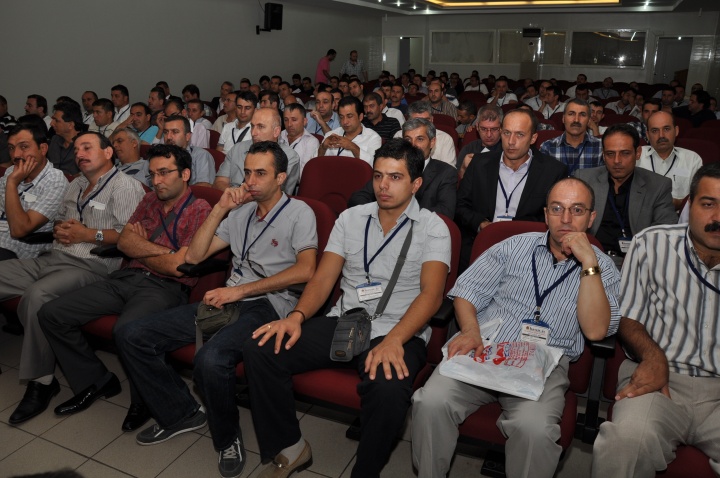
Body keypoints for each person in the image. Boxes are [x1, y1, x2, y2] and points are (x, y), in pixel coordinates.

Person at [244, 138, 451, 478]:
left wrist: (394, 340)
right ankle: (291, 447)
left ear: (416, 184)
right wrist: (295, 318)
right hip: (346, 320)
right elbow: (324, 278)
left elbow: (431, 295)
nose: (383, 185)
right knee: (262, 348)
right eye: (378, 175)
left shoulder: (433, 227)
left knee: (388, 389)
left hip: (398, 330)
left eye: (395, 177)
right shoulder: (351, 218)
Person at [116, 141, 317, 477]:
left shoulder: (300, 213)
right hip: (228, 298)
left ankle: (226, 439)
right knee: (131, 334)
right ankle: (181, 413)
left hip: (269, 303)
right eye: (247, 172)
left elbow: (306, 270)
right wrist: (220, 207)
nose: (250, 181)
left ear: (281, 177)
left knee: (210, 360)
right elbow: (194, 256)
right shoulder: (240, 212)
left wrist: (240, 290)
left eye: (261, 173)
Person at [413, 176, 621, 478]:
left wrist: (589, 263)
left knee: (534, 430)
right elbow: (466, 292)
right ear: (546, 214)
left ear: (591, 218)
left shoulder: (604, 270)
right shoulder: (513, 246)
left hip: (544, 364)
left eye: (577, 210)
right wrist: (470, 330)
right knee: (430, 402)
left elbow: (595, 331)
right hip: (485, 348)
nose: (565, 219)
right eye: (557, 208)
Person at [37, 144, 211, 429]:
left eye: (164, 173)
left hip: (164, 288)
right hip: (126, 277)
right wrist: (161, 252)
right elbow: (124, 241)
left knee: (126, 331)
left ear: (185, 174)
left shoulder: (200, 209)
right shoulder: (149, 200)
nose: (156, 181)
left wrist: (140, 246)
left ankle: (144, 400)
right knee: (52, 313)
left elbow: (177, 267)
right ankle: (95, 380)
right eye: (152, 174)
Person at [2, 131, 144, 425]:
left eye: (87, 147)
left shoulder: (125, 186)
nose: (79, 153)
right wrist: (60, 229)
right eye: (77, 149)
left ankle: (42, 382)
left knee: (37, 296)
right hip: (53, 258)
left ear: (108, 152)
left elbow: (130, 238)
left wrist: (88, 234)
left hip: (92, 266)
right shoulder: (76, 184)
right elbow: (61, 220)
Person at [591, 162, 720, 477]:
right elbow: (628, 316)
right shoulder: (651, 243)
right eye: (708, 204)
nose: (718, 217)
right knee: (624, 442)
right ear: (689, 205)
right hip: (658, 380)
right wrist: (652, 356)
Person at [455, 109, 567, 270]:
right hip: (483, 245)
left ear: (533, 138)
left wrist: (513, 229)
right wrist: (481, 224)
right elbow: (460, 205)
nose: (511, 141)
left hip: (529, 251)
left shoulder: (552, 171)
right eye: (507, 133)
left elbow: (554, 217)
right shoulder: (479, 163)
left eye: (519, 135)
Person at [575, 124, 676, 267]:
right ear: (603, 155)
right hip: (589, 259)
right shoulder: (584, 179)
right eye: (610, 154)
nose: (617, 160)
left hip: (636, 263)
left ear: (638, 153)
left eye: (625, 153)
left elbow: (665, 233)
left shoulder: (658, 186)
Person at [349, 118, 457, 218]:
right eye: (408, 139)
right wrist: (383, 213)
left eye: (420, 139)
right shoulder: (389, 167)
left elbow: (445, 211)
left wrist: (400, 214)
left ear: (432, 142)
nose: (413, 145)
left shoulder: (446, 172)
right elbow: (357, 198)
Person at [1, 124, 68, 260]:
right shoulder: (10, 171)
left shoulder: (55, 181)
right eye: (11, 148)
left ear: (43, 149)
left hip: (17, 248)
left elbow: (19, 230)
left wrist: (12, 183)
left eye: (24, 147)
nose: (16, 155)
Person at [214, 108, 300, 194]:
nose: (253, 133)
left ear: (276, 131)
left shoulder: (290, 157)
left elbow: (274, 194)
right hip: (231, 197)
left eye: (260, 127)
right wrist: (235, 194)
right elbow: (219, 182)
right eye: (252, 126)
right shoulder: (237, 149)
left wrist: (242, 196)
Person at [638, 111, 703, 210]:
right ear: (647, 135)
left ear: (676, 131)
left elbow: (699, 197)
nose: (661, 135)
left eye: (666, 129)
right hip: (641, 215)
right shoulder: (637, 156)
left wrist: (679, 203)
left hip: (678, 216)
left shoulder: (692, 159)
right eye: (655, 131)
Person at [540, 99, 604, 175]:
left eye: (582, 115)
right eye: (571, 114)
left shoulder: (601, 147)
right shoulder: (547, 147)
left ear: (589, 120)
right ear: (563, 119)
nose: (576, 120)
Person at [318, 96, 381, 166]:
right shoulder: (331, 135)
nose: (345, 122)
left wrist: (353, 147)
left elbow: (375, 165)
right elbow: (315, 164)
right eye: (341, 117)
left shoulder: (373, 138)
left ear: (360, 117)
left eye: (349, 116)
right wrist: (323, 148)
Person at [154, 115, 214, 187]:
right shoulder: (156, 156)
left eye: (175, 132)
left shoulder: (200, 155)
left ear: (187, 136)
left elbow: (203, 187)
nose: (168, 137)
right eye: (166, 132)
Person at [457, 105, 504, 178]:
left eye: (494, 129)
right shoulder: (468, 149)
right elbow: (458, 182)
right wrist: (463, 168)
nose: (489, 135)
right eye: (484, 129)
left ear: (501, 128)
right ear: (477, 126)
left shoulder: (508, 151)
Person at [280, 103, 319, 180]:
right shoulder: (279, 135)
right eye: (286, 120)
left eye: (294, 120)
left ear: (304, 121)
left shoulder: (311, 142)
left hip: (296, 186)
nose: (289, 124)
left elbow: (303, 175)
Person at [47, 102, 84, 175]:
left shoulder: (84, 143)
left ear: (70, 125)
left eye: (56, 121)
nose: (51, 124)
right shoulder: (55, 139)